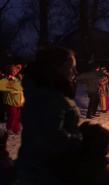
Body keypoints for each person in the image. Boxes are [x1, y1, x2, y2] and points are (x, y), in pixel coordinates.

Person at [15, 47, 83, 184]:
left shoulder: (47, 92)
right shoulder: (49, 97)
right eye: (71, 67)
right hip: (46, 173)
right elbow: (53, 138)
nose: (75, 72)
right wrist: (83, 139)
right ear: (56, 68)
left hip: (42, 169)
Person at [1, 65, 24, 135]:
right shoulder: (7, 79)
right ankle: (10, 128)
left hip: (18, 100)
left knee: (17, 115)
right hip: (10, 100)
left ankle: (16, 129)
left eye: (15, 71)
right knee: (12, 114)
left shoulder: (18, 79)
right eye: (12, 71)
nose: (14, 72)